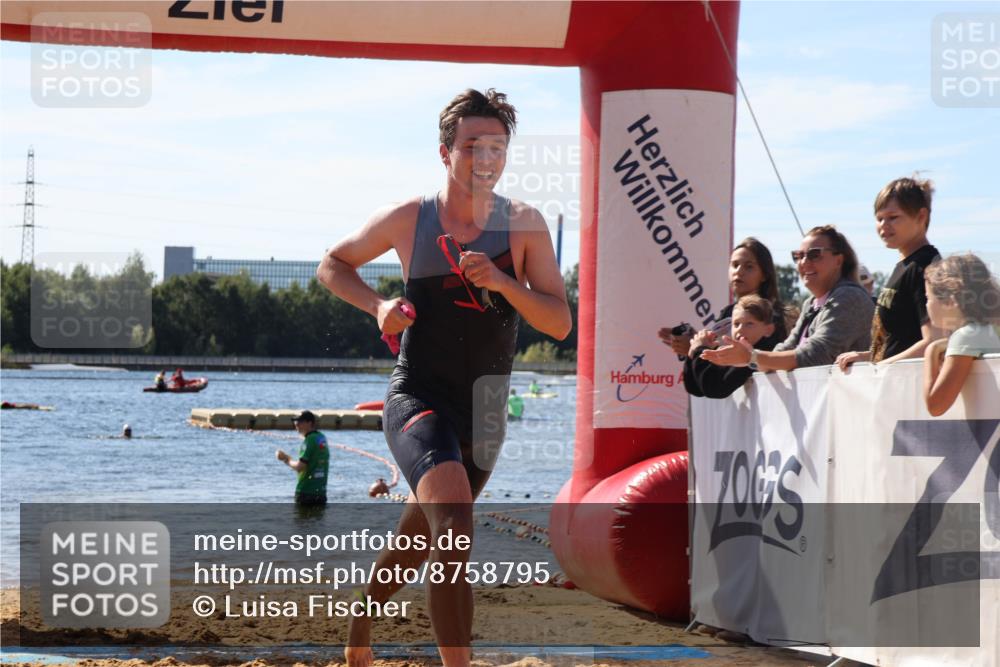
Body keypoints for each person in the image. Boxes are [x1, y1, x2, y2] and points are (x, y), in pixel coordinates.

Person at [316, 88, 570, 667]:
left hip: (485, 413)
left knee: (421, 540)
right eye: (473, 146)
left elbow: (558, 322)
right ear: (445, 153)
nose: (487, 159)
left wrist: (503, 283)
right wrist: (379, 306)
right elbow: (333, 265)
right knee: (454, 527)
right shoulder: (410, 218)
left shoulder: (524, 225)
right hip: (418, 397)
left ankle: (360, 622)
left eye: (497, 148)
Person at [702, 225, 873, 371]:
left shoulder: (850, 297)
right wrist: (748, 359)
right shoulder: (810, 304)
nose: (804, 262)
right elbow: (786, 349)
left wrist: (752, 357)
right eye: (798, 256)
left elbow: (817, 355)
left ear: (838, 261)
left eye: (814, 254)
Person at [837, 177, 941, 371]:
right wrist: (867, 357)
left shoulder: (926, 267)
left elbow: (933, 342)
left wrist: (878, 369)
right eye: (879, 218)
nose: (883, 225)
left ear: (921, 216)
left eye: (893, 217)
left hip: (910, 382)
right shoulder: (904, 266)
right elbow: (900, 340)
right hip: (894, 379)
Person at [659, 237, 786, 359]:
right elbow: (716, 356)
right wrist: (696, 340)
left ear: (764, 275)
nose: (739, 271)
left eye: (749, 266)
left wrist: (697, 350)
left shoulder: (771, 315)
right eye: (735, 265)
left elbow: (743, 366)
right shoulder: (727, 312)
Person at [922, 254, 1000, 416]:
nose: (926, 305)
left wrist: (931, 351)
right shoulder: (989, 329)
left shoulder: (966, 336)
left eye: (928, 298)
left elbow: (936, 406)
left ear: (951, 301)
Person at [684, 295, 780, 398]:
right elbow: (695, 389)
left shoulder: (759, 353)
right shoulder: (735, 351)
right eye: (736, 324)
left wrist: (700, 350)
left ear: (768, 330)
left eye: (749, 324)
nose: (740, 329)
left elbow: (714, 389)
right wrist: (693, 354)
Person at [275, 410, 330, 505]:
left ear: (310, 423)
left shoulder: (309, 440)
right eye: (295, 421)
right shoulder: (321, 437)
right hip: (321, 493)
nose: (296, 424)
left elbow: (300, 467)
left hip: (306, 493)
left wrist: (286, 459)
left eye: (300, 421)